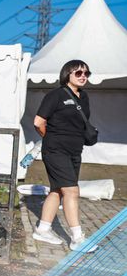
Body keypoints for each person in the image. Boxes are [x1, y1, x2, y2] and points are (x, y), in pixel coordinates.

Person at [32, 60, 97, 252]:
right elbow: (38, 122)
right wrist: (52, 139)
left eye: (86, 73)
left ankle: (43, 229)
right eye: (78, 73)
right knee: (72, 191)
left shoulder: (84, 97)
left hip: (75, 151)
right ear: (67, 74)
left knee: (58, 190)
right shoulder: (56, 95)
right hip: (55, 150)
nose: (83, 76)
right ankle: (77, 238)